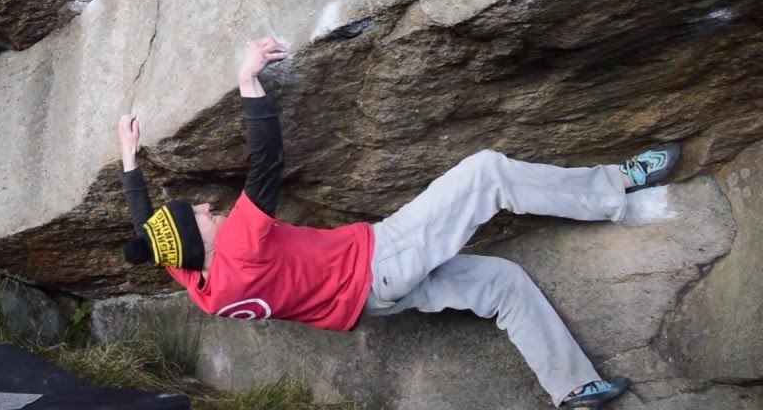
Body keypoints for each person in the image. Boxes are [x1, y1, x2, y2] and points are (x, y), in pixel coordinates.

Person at [117, 37, 681, 409]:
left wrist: (129, 160)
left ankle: (574, 389)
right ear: (201, 238)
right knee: (487, 174)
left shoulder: (203, 284)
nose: (208, 208)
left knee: (503, 286)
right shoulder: (239, 241)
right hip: (381, 260)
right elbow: (266, 166)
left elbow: (150, 236)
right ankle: (618, 186)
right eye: (199, 214)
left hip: (369, 305)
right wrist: (248, 82)